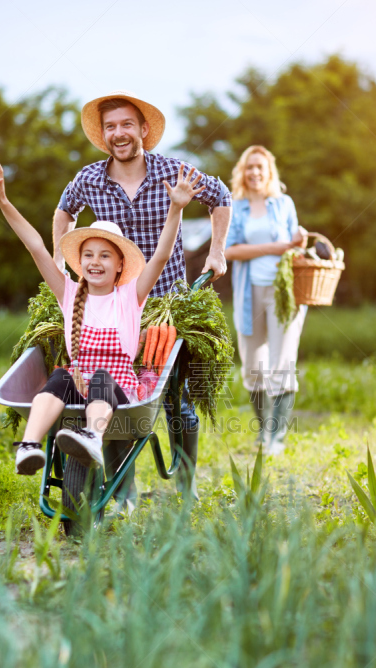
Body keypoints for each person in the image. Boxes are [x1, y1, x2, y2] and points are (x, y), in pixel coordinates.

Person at [52, 91, 232, 498]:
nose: (119, 133)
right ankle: (123, 494)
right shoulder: (89, 180)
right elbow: (64, 212)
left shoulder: (174, 171)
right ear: (104, 134)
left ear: (144, 130)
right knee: (110, 390)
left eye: (127, 124)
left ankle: (187, 487)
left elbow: (220, 197)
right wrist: (60, 260)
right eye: (111, 126)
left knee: (175, 399)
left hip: (167, 308)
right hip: (108, 308)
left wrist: (216, 251)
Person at [0, 158, 205, 475]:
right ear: (79, 262)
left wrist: (176, 209)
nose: (96, 262)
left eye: (105, 255)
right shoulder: (70, 294)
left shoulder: (130, 296)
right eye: (88, 255)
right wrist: (4, 203)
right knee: (59, 377)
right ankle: (29, 447)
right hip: (78, 387)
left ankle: (92, 437)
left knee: (102, 377)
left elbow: (161, 254)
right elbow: (35, 245)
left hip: (118, 391)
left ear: (120, 264)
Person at [225, 145, 308, 456]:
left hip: (283, 293)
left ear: (269, 172)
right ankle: (263, 430)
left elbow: (294, 248)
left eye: (260, 167)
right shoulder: (237, 206)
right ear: (242, 172)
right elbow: (229, 250)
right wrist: (275, 247)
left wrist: (295, 242)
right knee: (252, 366)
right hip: (248, 291)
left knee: (282, 363)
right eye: (250, 167)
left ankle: (276, 438)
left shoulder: (283, 204)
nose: (255, 172)